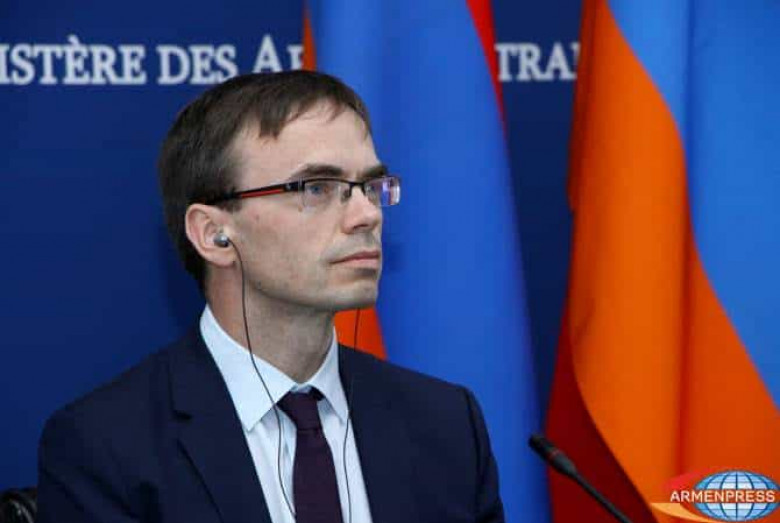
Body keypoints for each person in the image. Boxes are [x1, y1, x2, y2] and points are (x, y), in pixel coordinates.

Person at [36, 71, 504, 523]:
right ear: (214, 234)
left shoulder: (446, 425)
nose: (367, 215)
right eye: (317, 188)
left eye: (370, 186)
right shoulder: (106, 447)